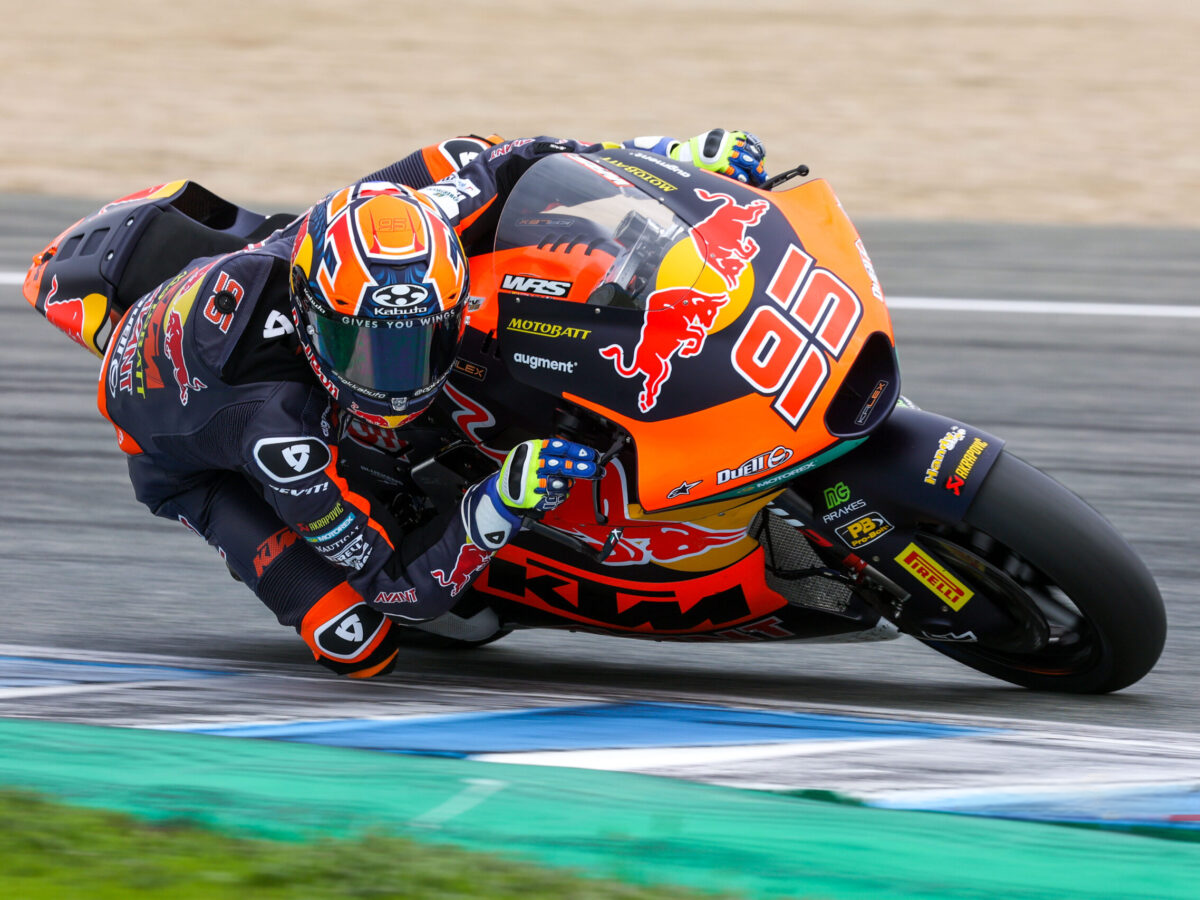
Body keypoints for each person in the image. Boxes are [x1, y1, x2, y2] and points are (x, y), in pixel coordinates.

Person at [80, 129, 768, 678]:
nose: (397, 380)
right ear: (316, 318)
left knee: (457, 156)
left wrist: (672, 154)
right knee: (358, 642)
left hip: (254, 277)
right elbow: (393, 585)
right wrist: (499, 502)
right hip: (187, 461)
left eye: (419, 341)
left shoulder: (386, 225)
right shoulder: (278, 435)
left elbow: (519, 157)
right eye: (369, 352)